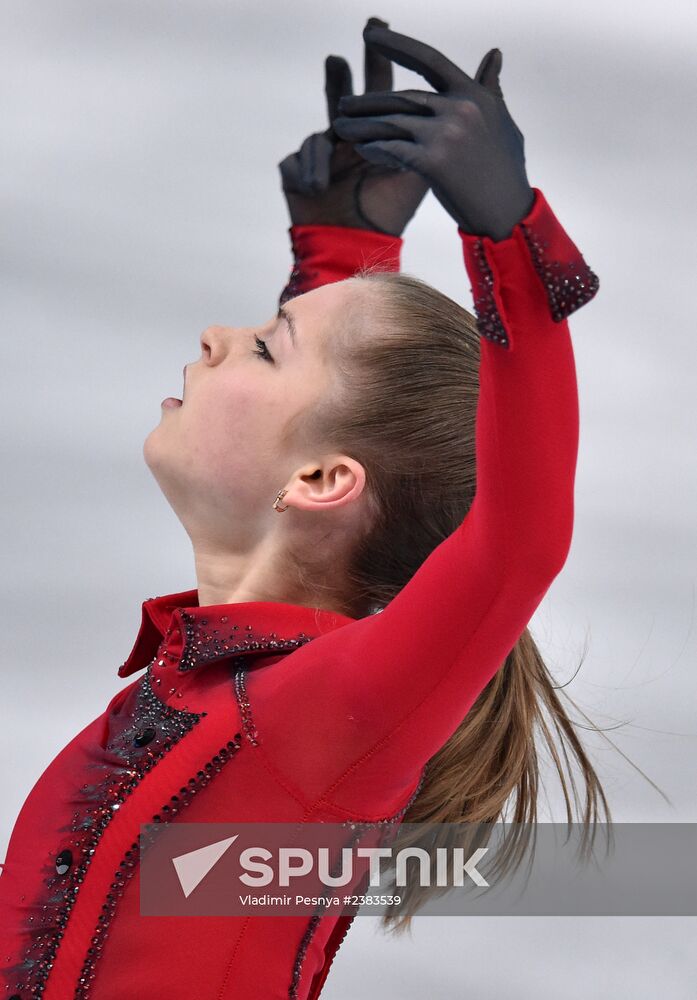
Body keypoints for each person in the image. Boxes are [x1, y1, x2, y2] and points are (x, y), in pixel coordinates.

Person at [0, 17, 609, 1000]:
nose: (212, 335)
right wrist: (344, 243)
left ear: (321, 484)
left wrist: (511, 234)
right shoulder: (210, 695)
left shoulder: (320, 720)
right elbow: (336, 414)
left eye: (263, 345)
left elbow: (518, 543)